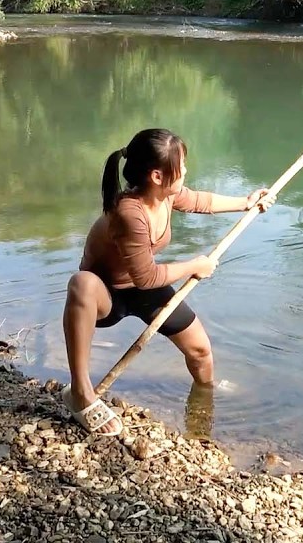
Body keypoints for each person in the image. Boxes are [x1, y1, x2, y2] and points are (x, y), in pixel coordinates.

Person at [64, 128, 275, 436]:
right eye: (181, 166)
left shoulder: (166, 195)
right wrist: (195, 266)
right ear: (156, 176)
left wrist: (246, 201)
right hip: (106, 294)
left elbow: (201, 201)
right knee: (80, 283)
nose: (186, 171)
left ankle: (201, 417)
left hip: (143, 288)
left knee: (201, 352)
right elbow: (146, 276)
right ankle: (80, 392)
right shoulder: (130, 212)